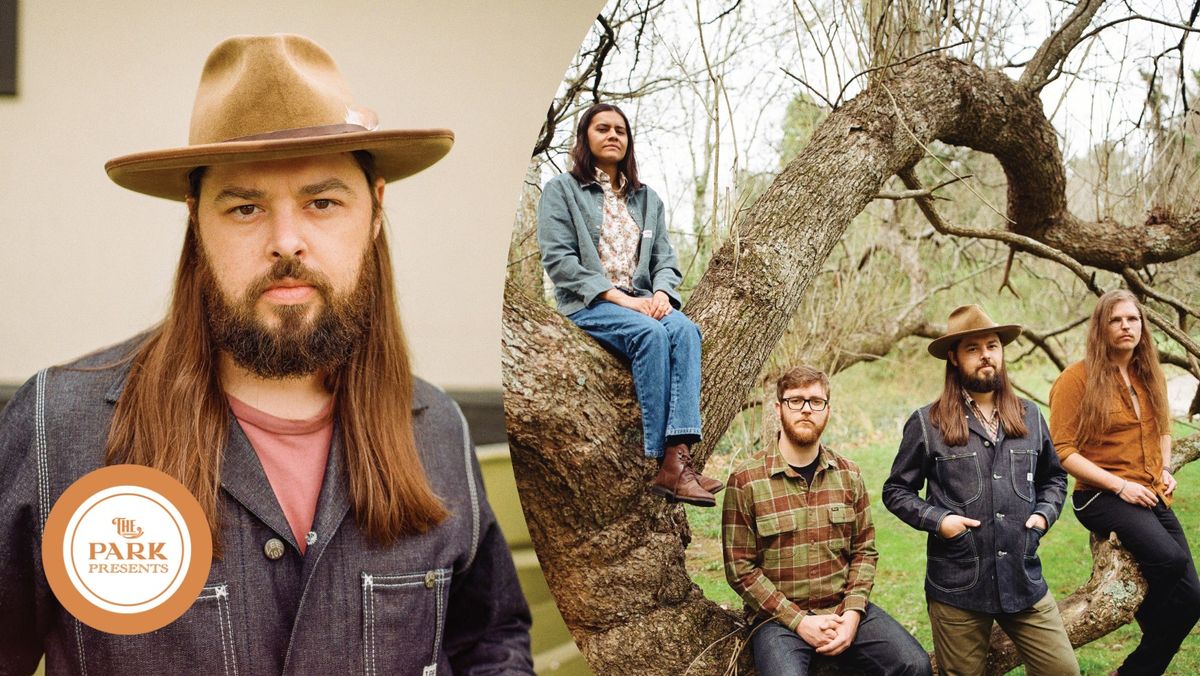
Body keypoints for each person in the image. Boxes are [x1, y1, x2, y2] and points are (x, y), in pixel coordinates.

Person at [0, 34, 532, 674]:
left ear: (375, 211)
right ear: (197, 222)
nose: (287, 241)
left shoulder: (437, 433)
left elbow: (489, 641)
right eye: (246, 207)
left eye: (323, 202)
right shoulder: (59, 430)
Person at [536, 102, 721, 507]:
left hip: (642, 300)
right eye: (602, 128)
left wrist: (659, 294)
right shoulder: (561, 191)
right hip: (590, 303)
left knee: (686, 330)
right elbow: (559, 261)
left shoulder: (646, 199)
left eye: (620, 130)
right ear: (585, 137)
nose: (613, 135)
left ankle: (677, 464)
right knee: (651, 334)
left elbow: (666, 261)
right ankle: (663, 456)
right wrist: (622, 301)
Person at [883, 305, 1078, 676]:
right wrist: (940, 520)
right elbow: (897, 491)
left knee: (1063, 671)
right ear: (954, 358)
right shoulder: (927, 423)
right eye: (973, 348)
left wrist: (1043, 516)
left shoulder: (1030, 415)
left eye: (992, 345)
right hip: (958, 588)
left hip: (1023, 579)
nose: (986, 354)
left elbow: (1054, 477)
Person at [723, 366, 931, 675]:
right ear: (778, 409)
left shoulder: (848, 475)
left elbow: (864, 551)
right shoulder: (746, 480)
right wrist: (800, 622)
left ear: (827, 410)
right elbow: (740, 569)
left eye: (816, 401)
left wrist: (852, 614)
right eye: (796, 400)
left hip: (842, 607)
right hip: (777, 620)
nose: (806, 409)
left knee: (914, 665)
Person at [1048, 289, 1200, 676]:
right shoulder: (1075, 379)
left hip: (1149, 491)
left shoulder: (1150, 375)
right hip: (1099, 496)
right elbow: (1064, 452)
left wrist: (1164, 468)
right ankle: (1149, 627)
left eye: (1132, 319)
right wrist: (1119, 486)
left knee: (1193, 597)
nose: (1125, 326)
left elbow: (1163, 430)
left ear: (1142, 326)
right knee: (1170, 561)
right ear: (1101, 328)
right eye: (1115, 320)